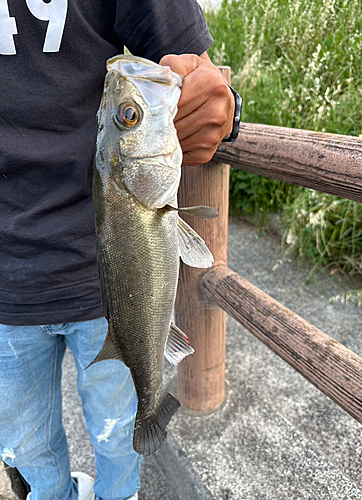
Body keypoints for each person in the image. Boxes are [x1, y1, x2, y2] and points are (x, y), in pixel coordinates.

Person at [0, 1, 235, 499]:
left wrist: (216, 105)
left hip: (103, 294)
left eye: (126, 114)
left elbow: (196, 75)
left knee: (117, 434)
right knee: (24, 447)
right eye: (128, 114)